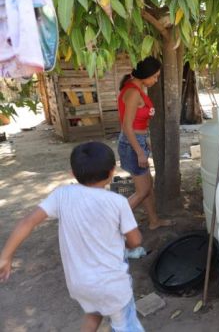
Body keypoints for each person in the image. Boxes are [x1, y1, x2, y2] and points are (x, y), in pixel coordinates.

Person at [0, 142, 144, 332]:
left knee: (93, 314)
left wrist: (6, 256)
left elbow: (28, 222)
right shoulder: (118, 203)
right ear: (112, 172)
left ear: (73, 173)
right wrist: (125, 245)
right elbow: (135, 241)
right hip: (112, 286)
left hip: (80, 284)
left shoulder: (61, 195)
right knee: (126, 325)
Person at [118, 56, 172, 230]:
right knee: (142, 191)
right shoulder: (133, 92)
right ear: (145, 74)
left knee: (147, 187)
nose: (156, 80)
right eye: (155, 76)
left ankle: (154, 221)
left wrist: (144, 140)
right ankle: (112, 222)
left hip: (137, 140)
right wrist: (139, 151)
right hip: (132, 143)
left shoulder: (136, 87)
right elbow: (127, 126)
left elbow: (136, 122)